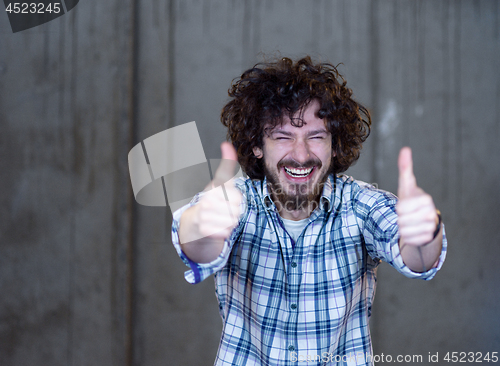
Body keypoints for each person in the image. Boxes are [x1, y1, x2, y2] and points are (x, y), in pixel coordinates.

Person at [171, 56, 447, 366]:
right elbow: (198, 247)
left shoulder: (360, 205)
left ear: (334, 144)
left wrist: (425, 233)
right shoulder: (232, 203)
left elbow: (419, 259)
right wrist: (203, 226)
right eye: (282, 137)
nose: (301, 155)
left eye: (316, 137)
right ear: (257, 145)